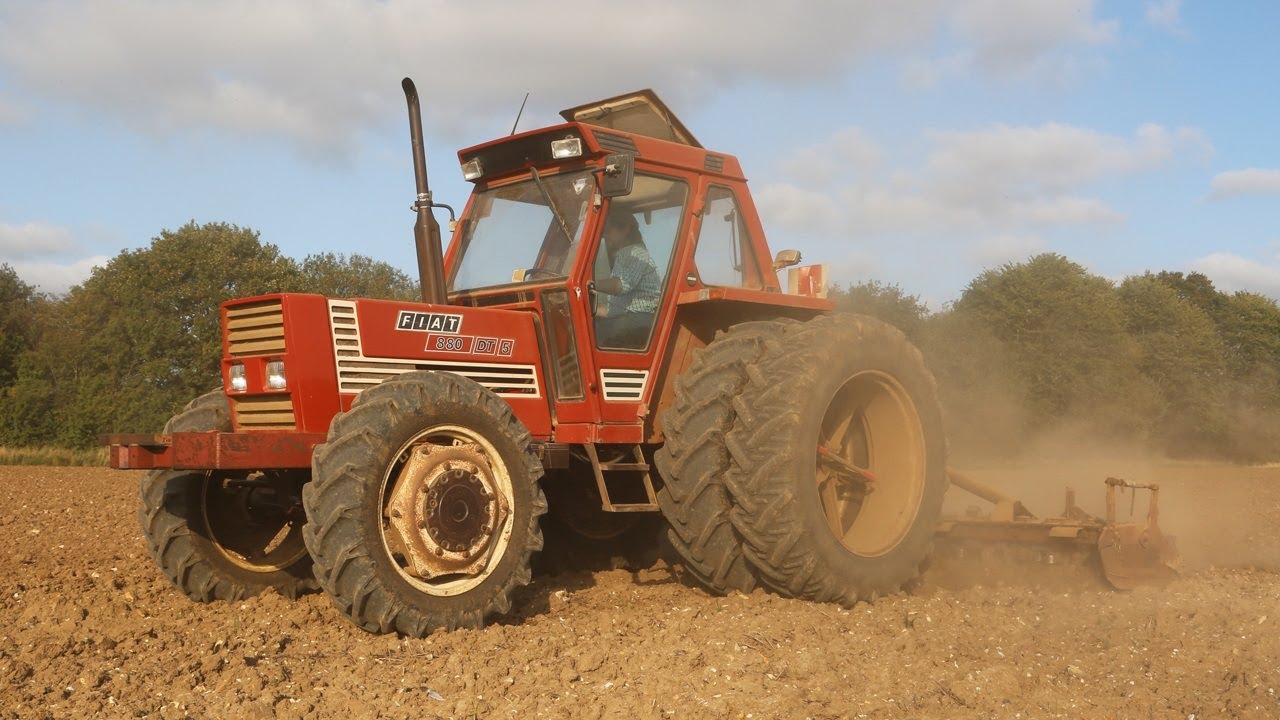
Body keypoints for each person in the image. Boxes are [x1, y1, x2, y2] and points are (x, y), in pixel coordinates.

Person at [595, 210, 660, 349]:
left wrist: (590, 284)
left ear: (625, 229)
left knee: (587, 336)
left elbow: (620, 285)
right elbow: (617, 307)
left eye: (608, 230)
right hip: (632, 317)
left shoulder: (633, 253)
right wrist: (592, 309)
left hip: (639, 320)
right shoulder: (624, 256)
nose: (605, 235)